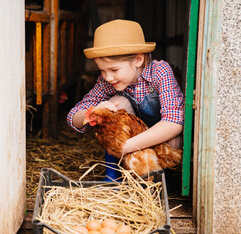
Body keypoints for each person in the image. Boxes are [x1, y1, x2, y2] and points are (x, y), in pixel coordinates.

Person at [67, 19, 184, 180]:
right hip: (131, 145)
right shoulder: (108, 81)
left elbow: (174, 122)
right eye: (102, 71)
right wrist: (95, 111)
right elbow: (73, 116)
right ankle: (114, 177)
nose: (108, 77)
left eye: (114, 69)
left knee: (174, 138)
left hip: (159, 139)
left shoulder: (160, 72)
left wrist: (125, 147)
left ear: (138, 60)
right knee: (118, 103)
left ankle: (163, 178)